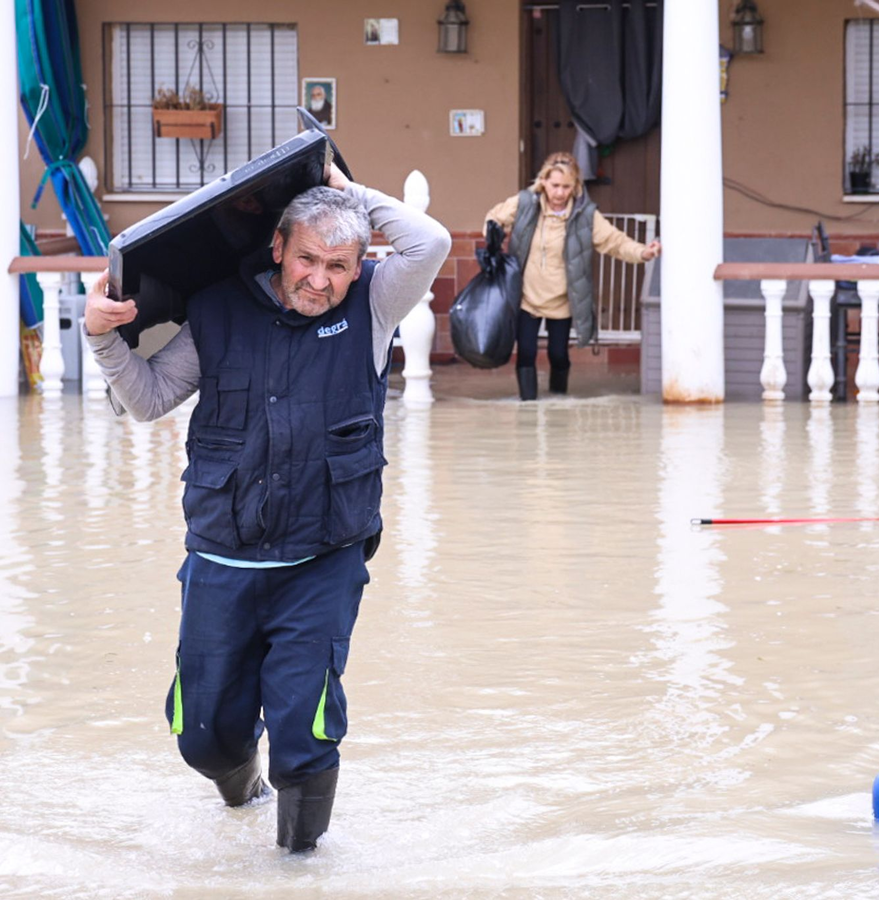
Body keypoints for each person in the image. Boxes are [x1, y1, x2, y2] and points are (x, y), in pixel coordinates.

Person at [83, 164, 451, 852]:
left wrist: (348, 191)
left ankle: (300, 872)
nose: (320, 280)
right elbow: (149, 399)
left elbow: (429, 242)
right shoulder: (217, 309)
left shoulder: (373, 306)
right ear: (278, 247)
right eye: (307, 259)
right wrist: (103, 339)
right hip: (222, 558)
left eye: (338, 266)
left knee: (303, 733)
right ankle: (243, 793)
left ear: (359, 266)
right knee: (204, 737)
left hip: (322, 559)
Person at [484, 151, 661, 400]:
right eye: (555, 185)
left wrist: (643, 252)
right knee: (526, 353)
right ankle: (528, 406)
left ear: (575, 186)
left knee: (558, 354)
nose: (559, 193)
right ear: (543, 182)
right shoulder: (524, 204)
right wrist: (493, 236)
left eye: (566, 187)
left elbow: (614, 241)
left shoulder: (585, 215)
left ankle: (558, 401)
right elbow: (494, 218)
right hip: (527, 296)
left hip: (563, 299)